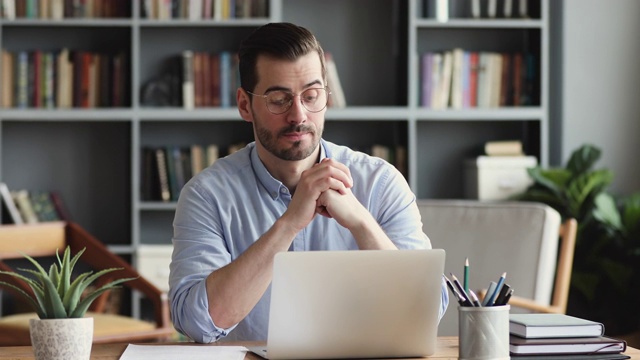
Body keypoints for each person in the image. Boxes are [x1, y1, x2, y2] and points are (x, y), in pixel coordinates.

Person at [169, 22, 448, 343]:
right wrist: (289, 224)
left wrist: (361, 223)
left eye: (312, 96)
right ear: (245, 105)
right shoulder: (206, 196)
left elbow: (426, 311)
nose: (299, 115)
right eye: (278, 99)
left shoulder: (380, 183)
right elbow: (197, 323)